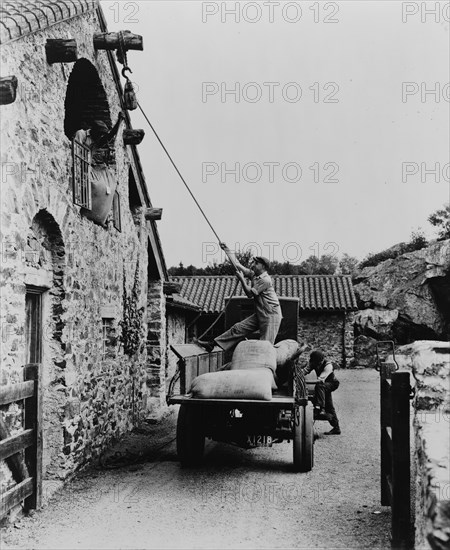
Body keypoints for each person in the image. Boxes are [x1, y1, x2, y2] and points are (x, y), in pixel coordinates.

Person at [196, 242, 282, 353]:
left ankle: (264, 368)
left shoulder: (265, 280)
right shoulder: (254, 275)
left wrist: (241, 279)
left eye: (256, 263)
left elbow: (250, 294)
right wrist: (226, 249)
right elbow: (237, 264)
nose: (253, 265)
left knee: (265, 345)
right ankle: (212, 344)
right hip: (262, 312)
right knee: (238, 328)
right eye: (253, 262)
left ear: (263, 267)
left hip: (271, 315)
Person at [303, 350, 341, 435]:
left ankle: (320, 408)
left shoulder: (328, 366)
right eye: (315, 363)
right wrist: (299, 375)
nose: (317, 365)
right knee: (329, 405)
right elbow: (306, 370)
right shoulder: (313, 363)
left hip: (332, 383)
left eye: (318, 363)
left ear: (321, 361)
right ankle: (336, 428)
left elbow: (321, 380)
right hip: (323, 386)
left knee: (320, 386)